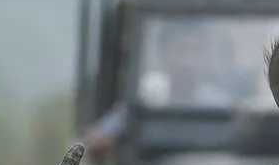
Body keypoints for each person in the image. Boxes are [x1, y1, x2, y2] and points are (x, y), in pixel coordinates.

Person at [81, 21, 233, 155]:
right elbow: (96, 139)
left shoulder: (219, 101)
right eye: (180, 51)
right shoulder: (146, 99)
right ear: (163, 54)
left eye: (195, 51)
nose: (188, 62)